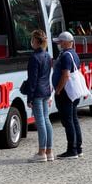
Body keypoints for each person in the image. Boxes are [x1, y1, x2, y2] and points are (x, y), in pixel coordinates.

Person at [52, 31, 83, 159]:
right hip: (73, 93)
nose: (58, 44)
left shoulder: (65, 56)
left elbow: (65, 74)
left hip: (66, 93)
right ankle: (78, 147)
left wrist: (58, 89)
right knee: (74, 119)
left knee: (68, 121)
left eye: (59, 42)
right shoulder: (73, 54)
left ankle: (72, 150)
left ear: (65, 42)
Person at [26, 29, 53, 163]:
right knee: (46, 120)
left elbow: (33, 80)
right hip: (46, 90)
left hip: (37, 92)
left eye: (32, 39)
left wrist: (29, 97)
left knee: (40, 121)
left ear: (36, 41)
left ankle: (41, 152)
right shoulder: (47, 56)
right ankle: (49, 151)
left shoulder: (34, 57)